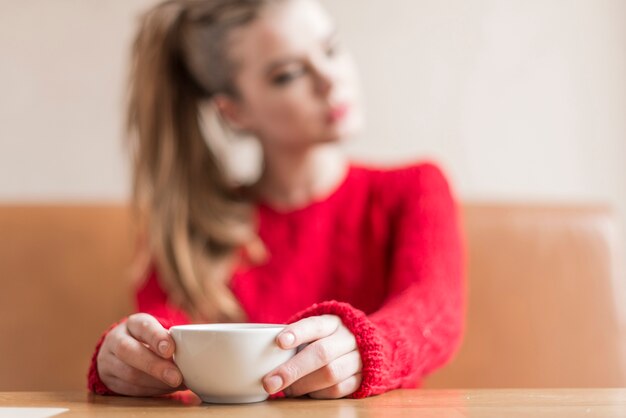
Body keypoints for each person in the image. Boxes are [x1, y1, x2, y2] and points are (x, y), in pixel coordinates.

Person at [88, 0, 465, 400]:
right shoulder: (191, 223)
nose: (329, 79)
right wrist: (129, 359)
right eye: (287, 75)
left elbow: (433, 311)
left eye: (331, 48)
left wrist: (370, 346)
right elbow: (164, 339)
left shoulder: (416, 190)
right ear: (234, 112)